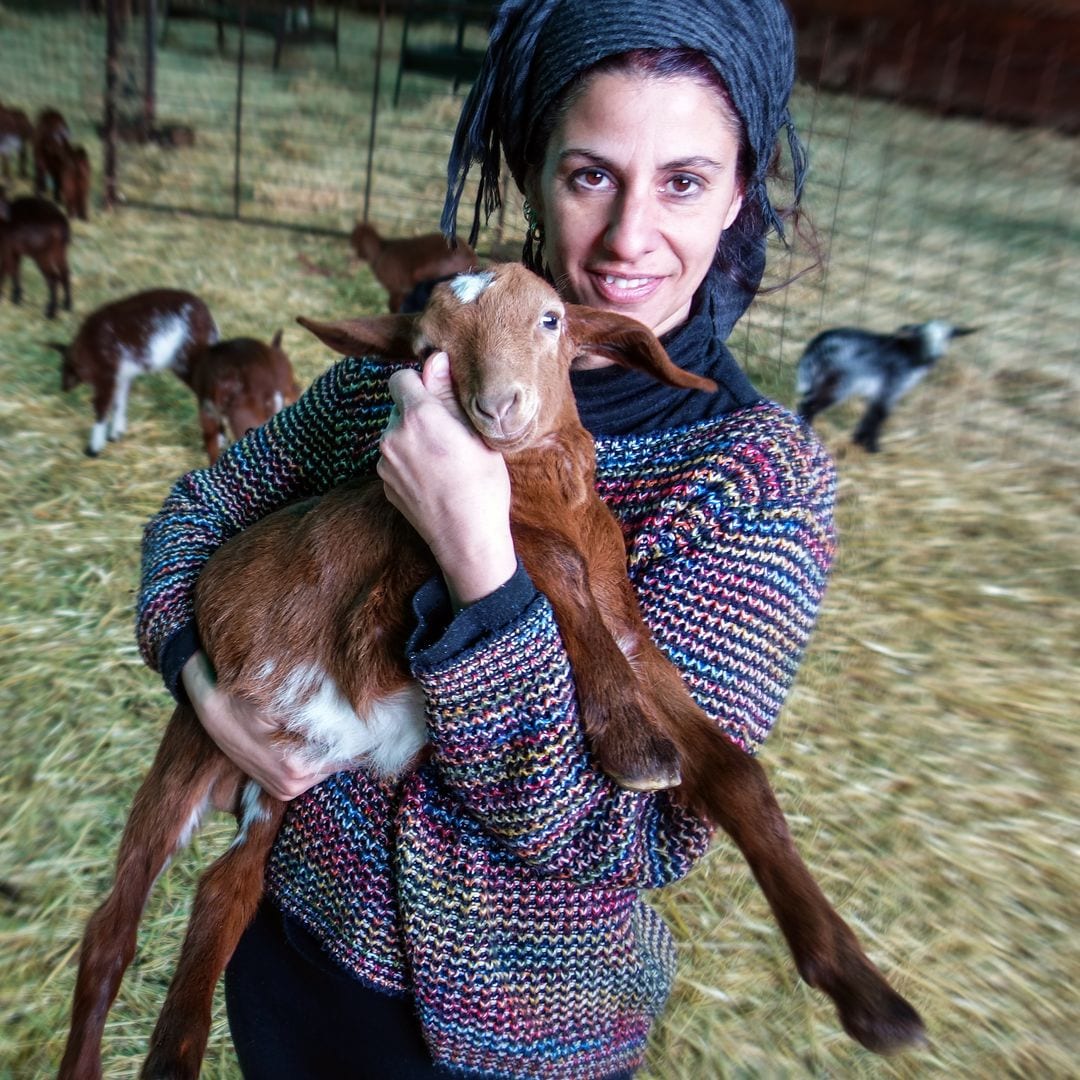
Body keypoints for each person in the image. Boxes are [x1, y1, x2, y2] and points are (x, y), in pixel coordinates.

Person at [136, 0, 837, 1075]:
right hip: (293, 959)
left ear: (741, 192)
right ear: (533, 169)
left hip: (520, 1042)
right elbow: (194, 516)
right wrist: (202, 688)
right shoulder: (400, 382)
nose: (628, 237)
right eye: (591, 174)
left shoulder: (751, 479)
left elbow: (623, 838)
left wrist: (482, 570)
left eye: (685, 181)